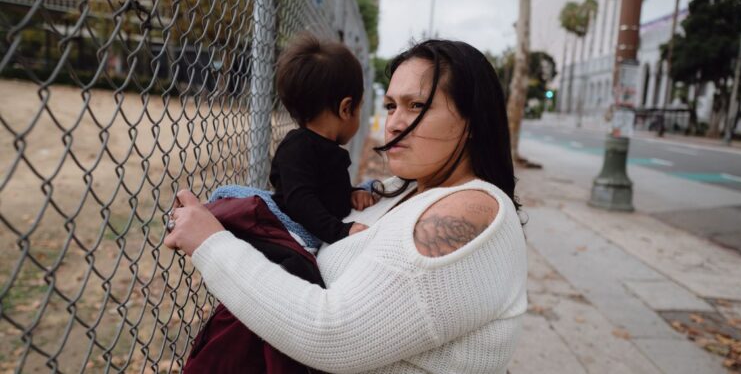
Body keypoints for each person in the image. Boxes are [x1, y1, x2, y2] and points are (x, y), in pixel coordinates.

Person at [165, 39, 527, 373]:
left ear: (473, 121)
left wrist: (212, 244)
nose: (395, 123)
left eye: (417, 105)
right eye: (390, 105)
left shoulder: (468, 210)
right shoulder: (404, 191)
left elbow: (332, 333)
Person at [209, 33, 375, 249]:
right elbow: (300, 201)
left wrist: (352, 194)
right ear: (346, 108)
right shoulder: (297, 148)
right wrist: (341, 232)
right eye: (360, 107)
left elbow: (327, 192)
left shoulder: (328, 149)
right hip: (292, 236)